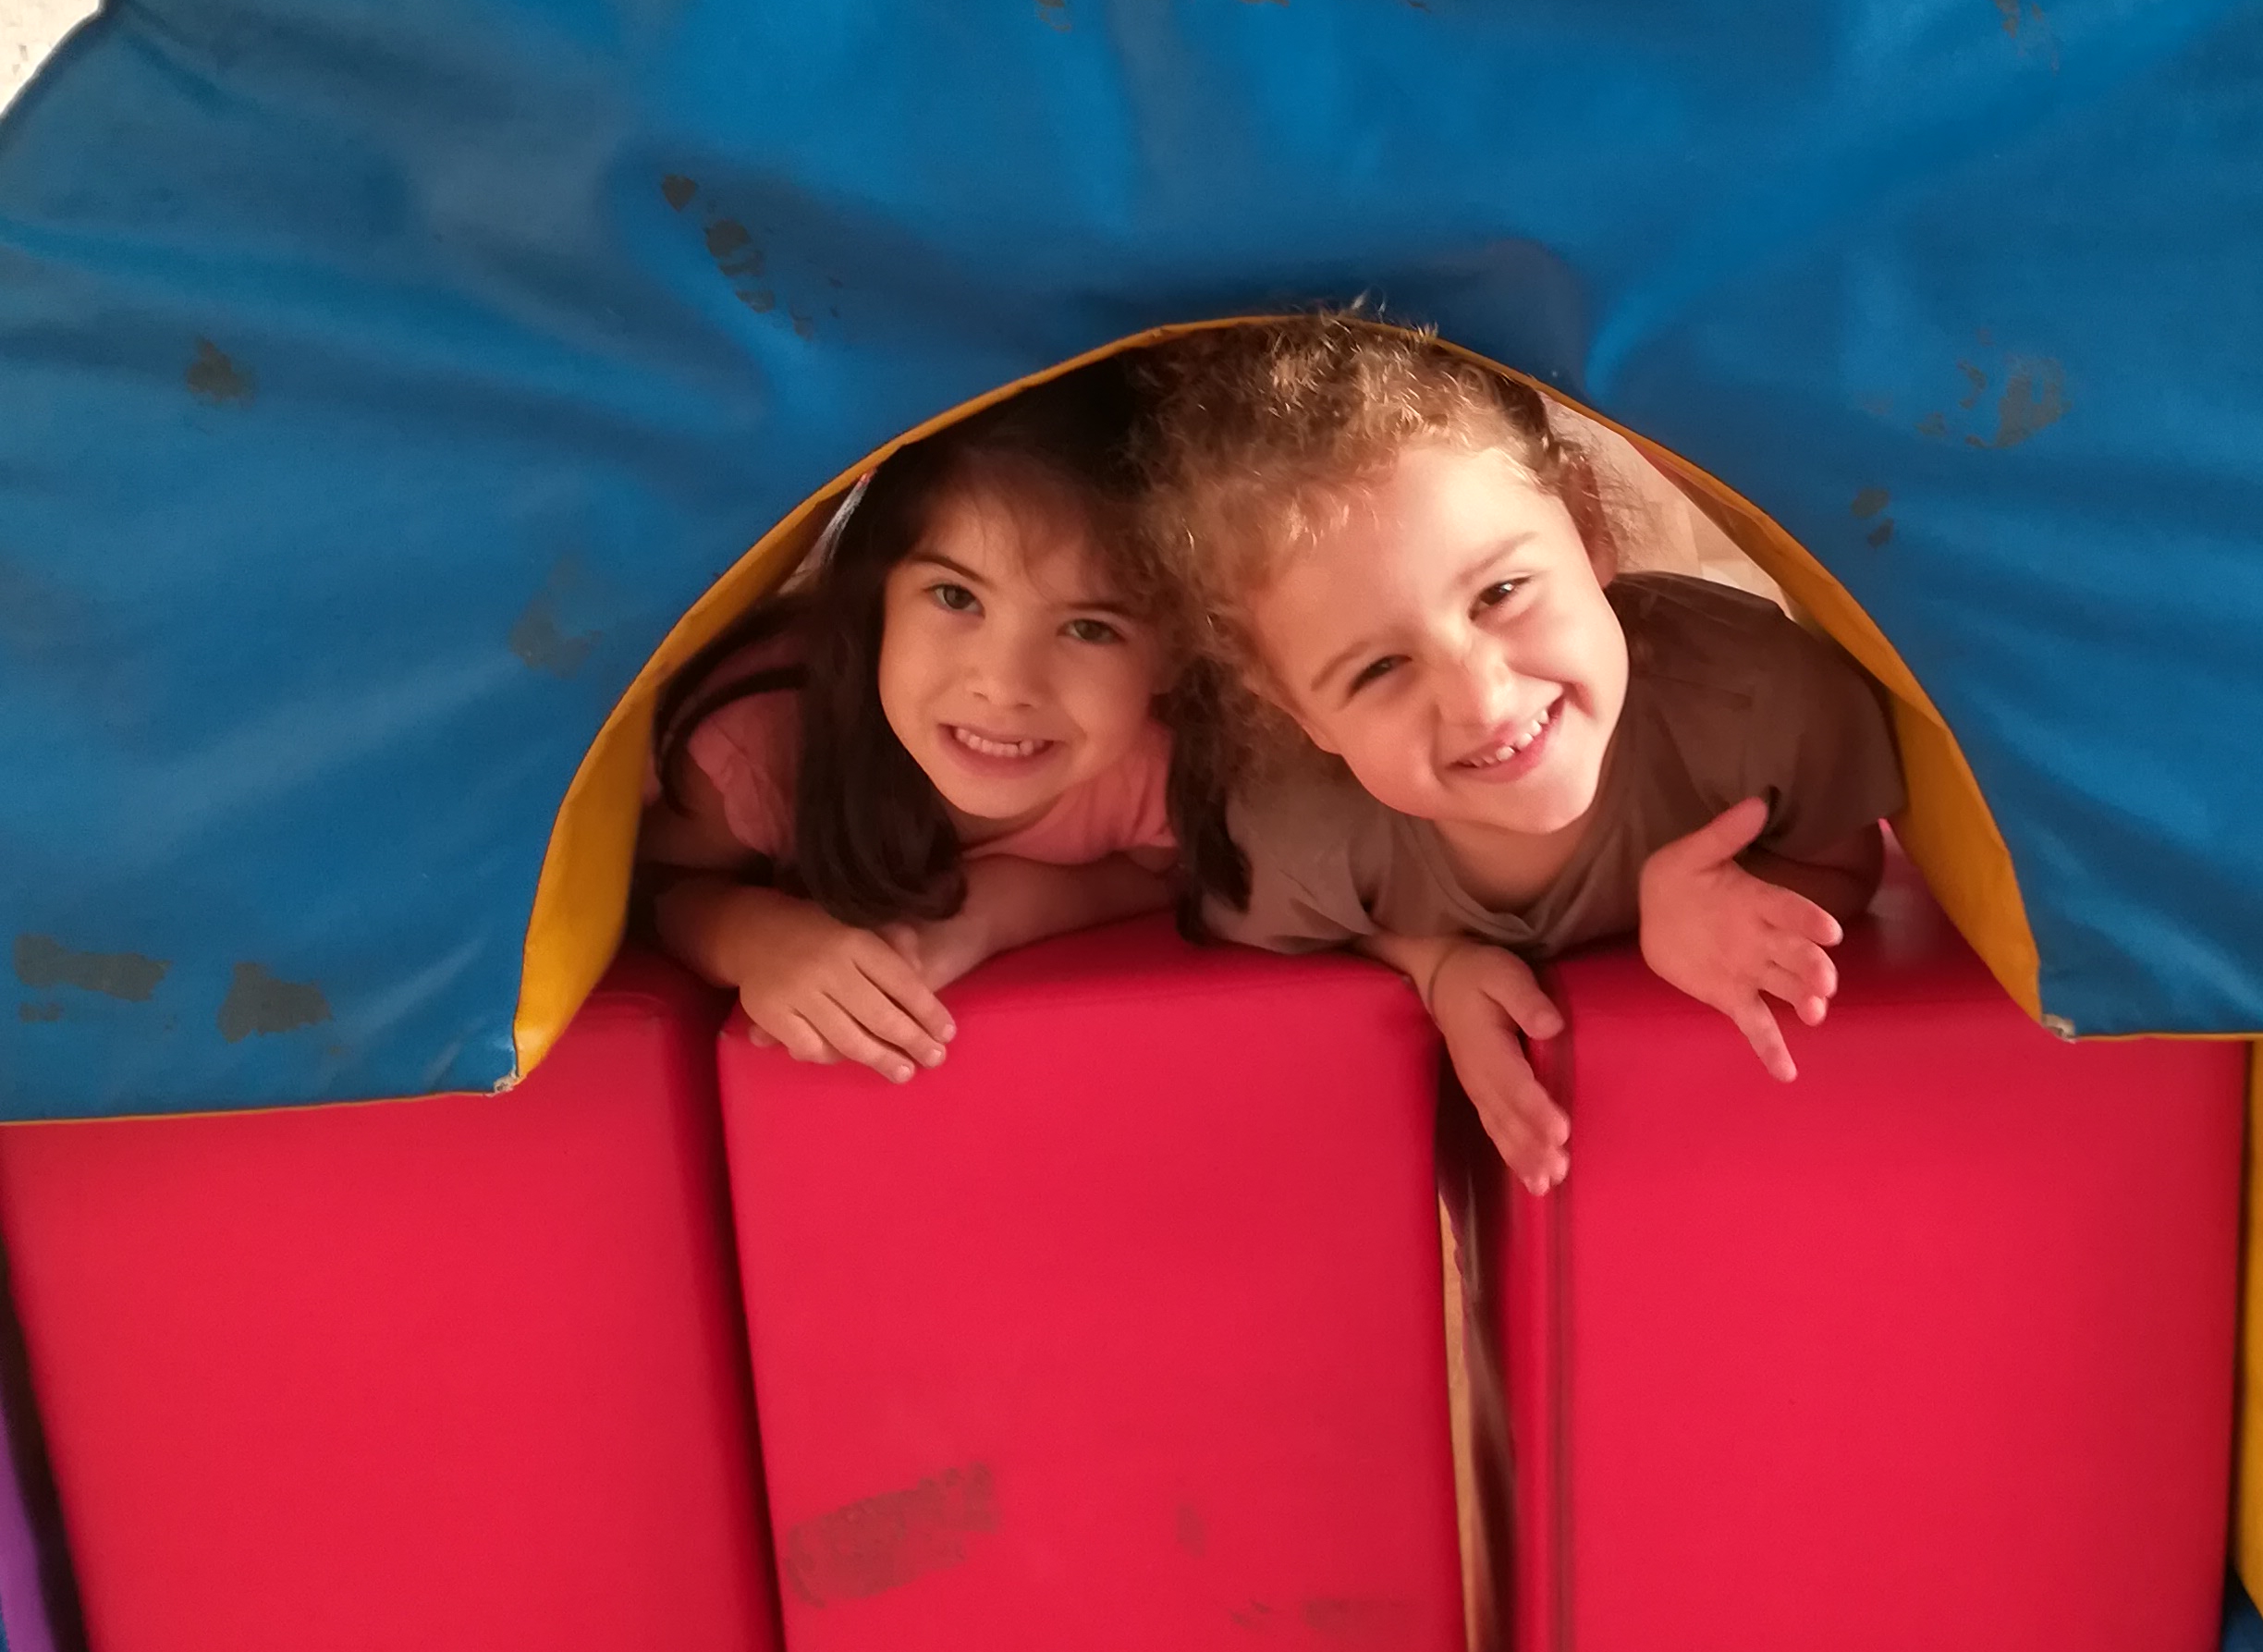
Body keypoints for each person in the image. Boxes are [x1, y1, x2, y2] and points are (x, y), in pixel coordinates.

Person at [1146, 315, 1902, 1193]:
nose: (1482, 701)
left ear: (1586, 523)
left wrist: (1714, 902)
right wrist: (1434, 964)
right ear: (1293, 708)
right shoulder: (1302, 836)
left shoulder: (1757, 700)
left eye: (1500, 593)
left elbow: (1846, 858)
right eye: (1380, 669)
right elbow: (1259, 941)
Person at [638, 360, 1177, 1082]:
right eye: (956, 596)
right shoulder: (762, 740)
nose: (1003, 686)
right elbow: (650, 884)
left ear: (1175, 656)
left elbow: (1176, 877)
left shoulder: (1149, 762)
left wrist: (999, 909)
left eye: (1090, 629)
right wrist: (749, 935)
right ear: (876, 599)